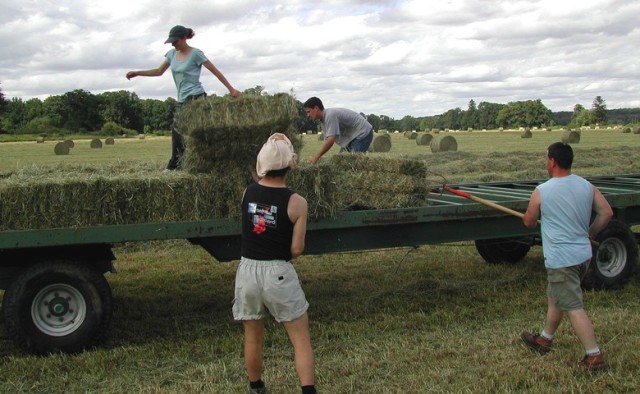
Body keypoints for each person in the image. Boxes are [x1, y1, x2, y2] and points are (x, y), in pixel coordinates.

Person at [233, 133, 317, 394]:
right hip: (277, 272)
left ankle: (256, 388)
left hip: (247, 271)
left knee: (253, 337)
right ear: (290, 165)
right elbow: (297, 249)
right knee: (300, 339)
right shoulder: (297, 202)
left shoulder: (248, 192)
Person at [520, 142, 613, 372]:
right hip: (582, 255)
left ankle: (594, 356)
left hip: (562, 259)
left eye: (546, 158)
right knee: (556, 296)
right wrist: (590, 232)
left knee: (572, 306)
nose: (545, 162)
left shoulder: (542, 190)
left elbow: (529, 221)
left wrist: (530, 215)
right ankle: (545, 339)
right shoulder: (585, 185)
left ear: (552, 161)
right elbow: (606, 213)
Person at [126, 25, 240, 170]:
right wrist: (137, 73)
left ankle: (174, 166)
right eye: (171, 42)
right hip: (181, 99)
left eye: (175, 41)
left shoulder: (196, 54)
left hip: (196, 98)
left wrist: (231, 90)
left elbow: (215, 72)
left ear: (184, 38)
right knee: (187, 132)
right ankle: (189, 164)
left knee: (177, 129)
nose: (173, 44)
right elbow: (159, 71)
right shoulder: (171, 54)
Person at [303, 96, 373, 164]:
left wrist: (316, 157)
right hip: (352, 138)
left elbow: (330, 140)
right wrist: (320, 157)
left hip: (362, 133)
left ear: (316, 108)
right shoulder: (323, 121)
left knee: (353, 164)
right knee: (341, 162)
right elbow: (327, 141)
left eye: (309, 112)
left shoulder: (330, 115)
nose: (308, 115)